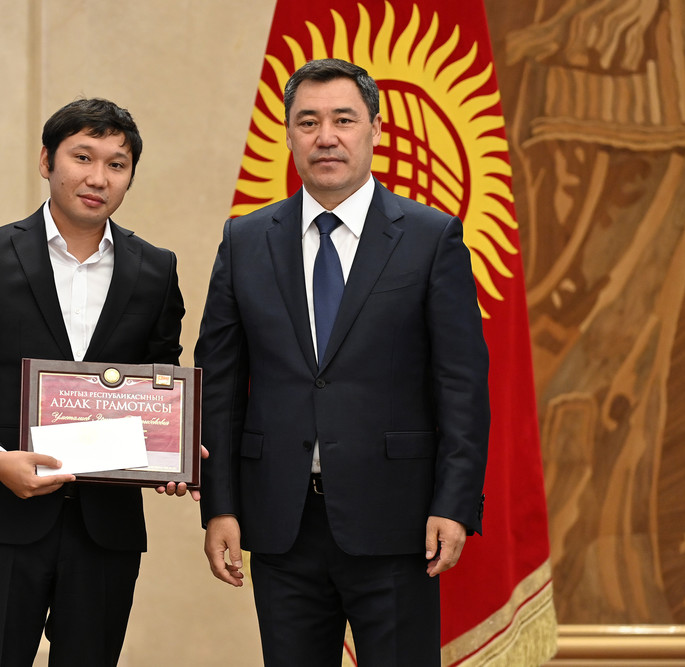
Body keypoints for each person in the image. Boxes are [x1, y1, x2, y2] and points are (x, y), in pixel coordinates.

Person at [194, 59, 490, 666]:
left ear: (375, 129)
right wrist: (220, 505)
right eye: (308, 122)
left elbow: (461, 385)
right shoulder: (245, 241)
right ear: (289, 135)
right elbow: (218, 385)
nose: (325, 137)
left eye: (343, 120)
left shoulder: (431, 237)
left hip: (399, 521)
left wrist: (454, 504)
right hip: (281, 523)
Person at [0, 98, 190, 666]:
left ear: (130, 177)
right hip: (0, 522)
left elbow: (161, 383)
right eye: (82, 157)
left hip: (106, 530)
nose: (98, 178)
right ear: (47, 161)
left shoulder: (155, 269)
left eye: (117, 164)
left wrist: (174, 451)